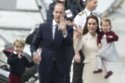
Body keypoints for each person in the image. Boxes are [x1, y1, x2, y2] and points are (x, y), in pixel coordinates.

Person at [30, 3, 74, 83]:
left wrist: (64, 31)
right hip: (45, 66)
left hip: (60, 68)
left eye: (60, 12)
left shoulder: (69, 28)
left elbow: (70, 44)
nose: (58, 14)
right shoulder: (43, 27)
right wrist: (34, 53)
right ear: (53, 12)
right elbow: (34, 44)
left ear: (64, 14)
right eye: (56, 12)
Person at [74, 15, 107, 83]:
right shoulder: (83, 38)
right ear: (86, 25)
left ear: (97, 25)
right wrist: (79, 38)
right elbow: (76, 48)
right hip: (89, 68)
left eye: (94, 24)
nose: (91, 26)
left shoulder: (102, 37)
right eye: (89, 24)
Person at [72, 0, 98, 83]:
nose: (96, 4)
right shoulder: (80, 16)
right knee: (77, 76)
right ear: (88, 2)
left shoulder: (97, 17)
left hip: (93, 50)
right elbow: (75, 35)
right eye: (95, 2)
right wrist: (76, 53)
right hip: (81, 50)